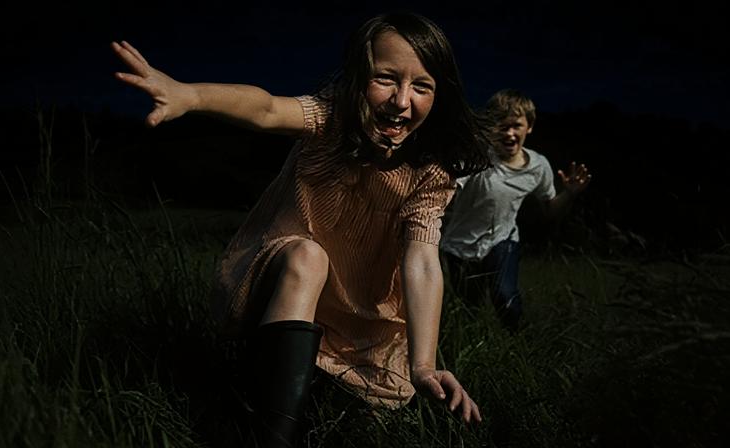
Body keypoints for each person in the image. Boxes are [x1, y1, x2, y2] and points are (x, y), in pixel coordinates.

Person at [112, 12, 489, 447]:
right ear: (356, 78)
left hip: (361, 315)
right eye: (385, 78)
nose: (401, 101)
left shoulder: (430, 172)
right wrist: (191, 95)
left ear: (440, 95)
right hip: (284, 280)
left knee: (369, 424)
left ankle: (306, 386)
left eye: (421, 86)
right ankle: (269, 434)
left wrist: (423, 365)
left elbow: (421, 261)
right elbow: (267, 108)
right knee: (309, 256)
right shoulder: (330, 121)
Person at [440, 89, 592, 333]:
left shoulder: (538, 166)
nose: (509, 133)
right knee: (468, 309)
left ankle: (517, 338)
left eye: (516, 126)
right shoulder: (476, 157)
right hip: (460, 245)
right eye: (502, 126)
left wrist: (569, 194)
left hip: (503, 240)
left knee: (506, 298)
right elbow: (446, 191)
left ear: (528, 127)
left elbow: (550, 210)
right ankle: (472, 347)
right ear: (491, 128)